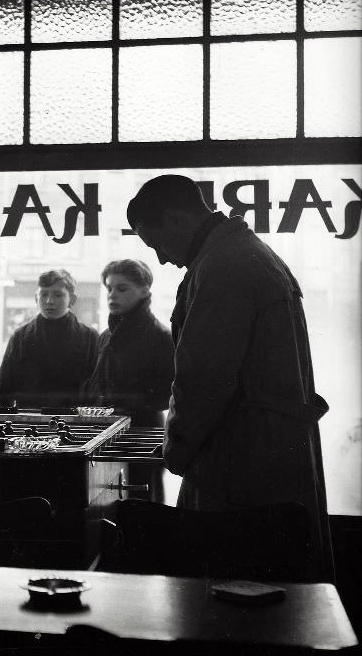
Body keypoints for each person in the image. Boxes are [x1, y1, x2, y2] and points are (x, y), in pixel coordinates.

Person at [127, 174, 334, 581]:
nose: (164, 259)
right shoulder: (242, 253)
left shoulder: (222, 268)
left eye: (157, 244)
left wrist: (176, 450)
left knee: (230, 591)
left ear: (175, 219)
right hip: (268, 453)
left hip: (241, 462)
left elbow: (201, 380)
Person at [83, 259, 174, 426]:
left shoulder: (161, 336)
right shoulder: (105, 336)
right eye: (109, 288)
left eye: (122, 288)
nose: (112, 294)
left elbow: (168, 395)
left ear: (144, 291)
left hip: (141, 430)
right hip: (102, 429)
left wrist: (124, 404)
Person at [0, 269, 98, 409]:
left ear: (72, 300)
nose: (49, 301)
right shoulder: (20, 337)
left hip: (75, 422)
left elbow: (95, 390)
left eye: (58, 295)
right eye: (44, 294)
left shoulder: (89, 338)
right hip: (30, 421)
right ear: (36, 298)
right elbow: (3, 389)